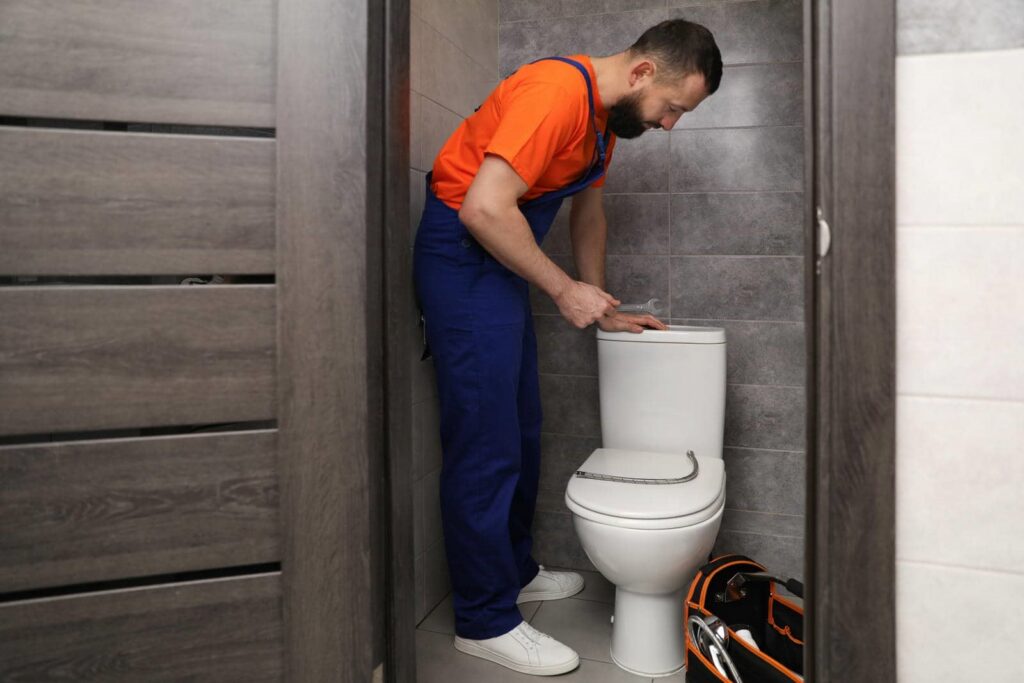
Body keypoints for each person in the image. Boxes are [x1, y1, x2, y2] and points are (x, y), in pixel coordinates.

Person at [413, 18, 723, 676]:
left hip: (496, 263)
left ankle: (513, 572)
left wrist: (600, 303)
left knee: (521, 428)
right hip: (464, 254)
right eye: (672, 108)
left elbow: (589, 213)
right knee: (485, 437)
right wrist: (563, 290)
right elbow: (482, 209)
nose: (670, 124)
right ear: (642, 73)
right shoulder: (556, 93)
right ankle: (483, 617)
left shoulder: (604, 125)